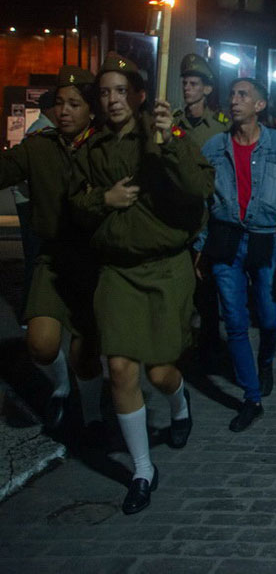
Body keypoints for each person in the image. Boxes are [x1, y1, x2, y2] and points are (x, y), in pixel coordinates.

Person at [71, 52, 214, 514]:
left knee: (159, 372)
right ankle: (142, 468)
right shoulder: (91, 149)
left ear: (137, 95)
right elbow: (73, 205)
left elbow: (198, 188)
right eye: (105, 92)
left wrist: (170, 136)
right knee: (120, 369)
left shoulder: (163, 136)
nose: (112, 100)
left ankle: (178, 403)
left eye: (121, 91)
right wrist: (102, 200)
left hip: (166, 268)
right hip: (117, 270)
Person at [196, 77, 276, 433]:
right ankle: (251, 397)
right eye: (233, 94)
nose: (235, 100)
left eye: (244, 95)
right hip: (225, 238)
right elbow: (203, 202)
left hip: (263, 237)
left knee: (270, 319)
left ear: (260, 105)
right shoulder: (214, 147)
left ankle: (266, 359)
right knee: (235, 320)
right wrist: (200, 246)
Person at [0, 67, 103, 434]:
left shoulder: (106, 148)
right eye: (59, 102)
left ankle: (92, 414)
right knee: (41, 344)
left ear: (91, 109)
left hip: (94, 262)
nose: (64, 110)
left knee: (84, 353)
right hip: (53, 257)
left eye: (75, 103)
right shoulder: (39, 146)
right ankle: (61, 387)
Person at [173, 53, 230, 366]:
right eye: (185, 83)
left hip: (207, 216)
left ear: (207, 90)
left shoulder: (220, 128)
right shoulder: (173, 124)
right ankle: (181, 341)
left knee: (206, 289)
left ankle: (209, 343)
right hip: (178, 215)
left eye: (194, 83)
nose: (188, 88)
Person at [13, 88, 58, 317]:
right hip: (31, 203)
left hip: (27, 200)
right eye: (60, 105)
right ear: (50, 109)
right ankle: (28, 313)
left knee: (35, 257)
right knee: (35, 258)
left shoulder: (37, 129)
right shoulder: (42, 132)